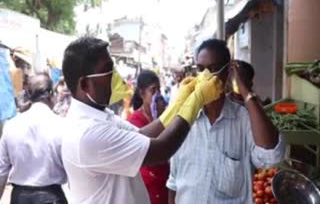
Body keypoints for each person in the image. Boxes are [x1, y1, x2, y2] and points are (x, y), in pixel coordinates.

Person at [60, 37, 222, 204]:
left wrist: (178, 104)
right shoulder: (87, 133)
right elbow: (162, 149)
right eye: (108, 71)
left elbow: (143, 134)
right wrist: (196, 100)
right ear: (85, 84)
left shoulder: (101, 116)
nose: (116, 77)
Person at [167, 39, 285, 204]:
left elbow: (272, 156)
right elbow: (174, 183)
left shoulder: (244, 120)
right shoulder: (184, 121)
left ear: (228, 72)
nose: (205, 76)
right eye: (201, 69)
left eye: (214, 69)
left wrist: (246, 91)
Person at [0, 73, 68, 204]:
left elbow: (1, 171)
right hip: (52, 197)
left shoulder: (11, 125)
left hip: (19, 198)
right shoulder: (61, 125)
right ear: (51, 95)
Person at [128, 70, 169, 204]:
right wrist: (161, 121)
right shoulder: (135, 120)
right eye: (153, 90)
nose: (157, 95)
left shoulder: (164, 114)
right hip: (147, 182)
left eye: (159, 90)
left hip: (165, 179)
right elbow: (150, 148)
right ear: (142, 94)